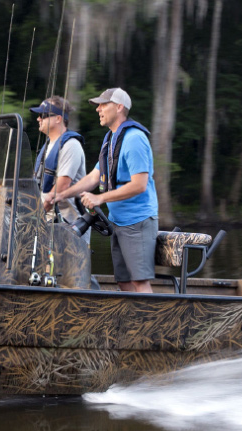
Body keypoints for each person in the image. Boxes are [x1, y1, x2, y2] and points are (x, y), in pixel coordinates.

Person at [46, 88, 158, 293]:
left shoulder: (134, 139)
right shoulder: (110, 139)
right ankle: (134, 323)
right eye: (98, 105)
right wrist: (60, 195)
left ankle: (150, 323)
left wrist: (99, 198)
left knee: (139, 281)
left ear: (119, 107)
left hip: (138, 221)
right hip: (118, 221)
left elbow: (140, 184)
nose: (98, 109)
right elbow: (93, 177)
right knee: (123, 282)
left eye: (103, 104)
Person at [30, 96, 87, 228]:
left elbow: (61, 188)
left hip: (68, 226)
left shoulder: (71, 145)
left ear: (58, 119)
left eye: (43, 115)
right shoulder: (48, 147)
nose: (38, 119)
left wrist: (36, 218)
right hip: (48, 222)